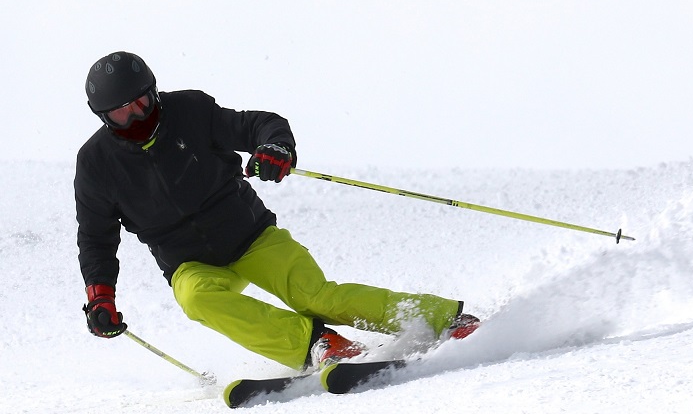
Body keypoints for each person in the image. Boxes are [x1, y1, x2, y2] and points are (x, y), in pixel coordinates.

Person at [76, 51, 479, 372]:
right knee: (196, 298)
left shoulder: (190, 112)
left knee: (317, 297)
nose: (135, 116)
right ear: (103, 116)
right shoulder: (96, 163)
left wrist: (275, 148)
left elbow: (260, 125)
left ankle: (441, 319)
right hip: (189, 261)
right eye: (120, 112)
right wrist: (100, 297)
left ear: (154, 92)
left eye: (141, 102)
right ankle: (318, 344)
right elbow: (96, 237)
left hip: (250, 236)